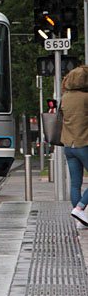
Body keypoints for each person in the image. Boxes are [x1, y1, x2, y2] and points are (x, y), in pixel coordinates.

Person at [60, 65, 88, 228]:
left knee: (75, 183)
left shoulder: (65, 97)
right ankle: (80, 207)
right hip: (83, 143)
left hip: (68, 146)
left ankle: (80, 220)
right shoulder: (85, 98)